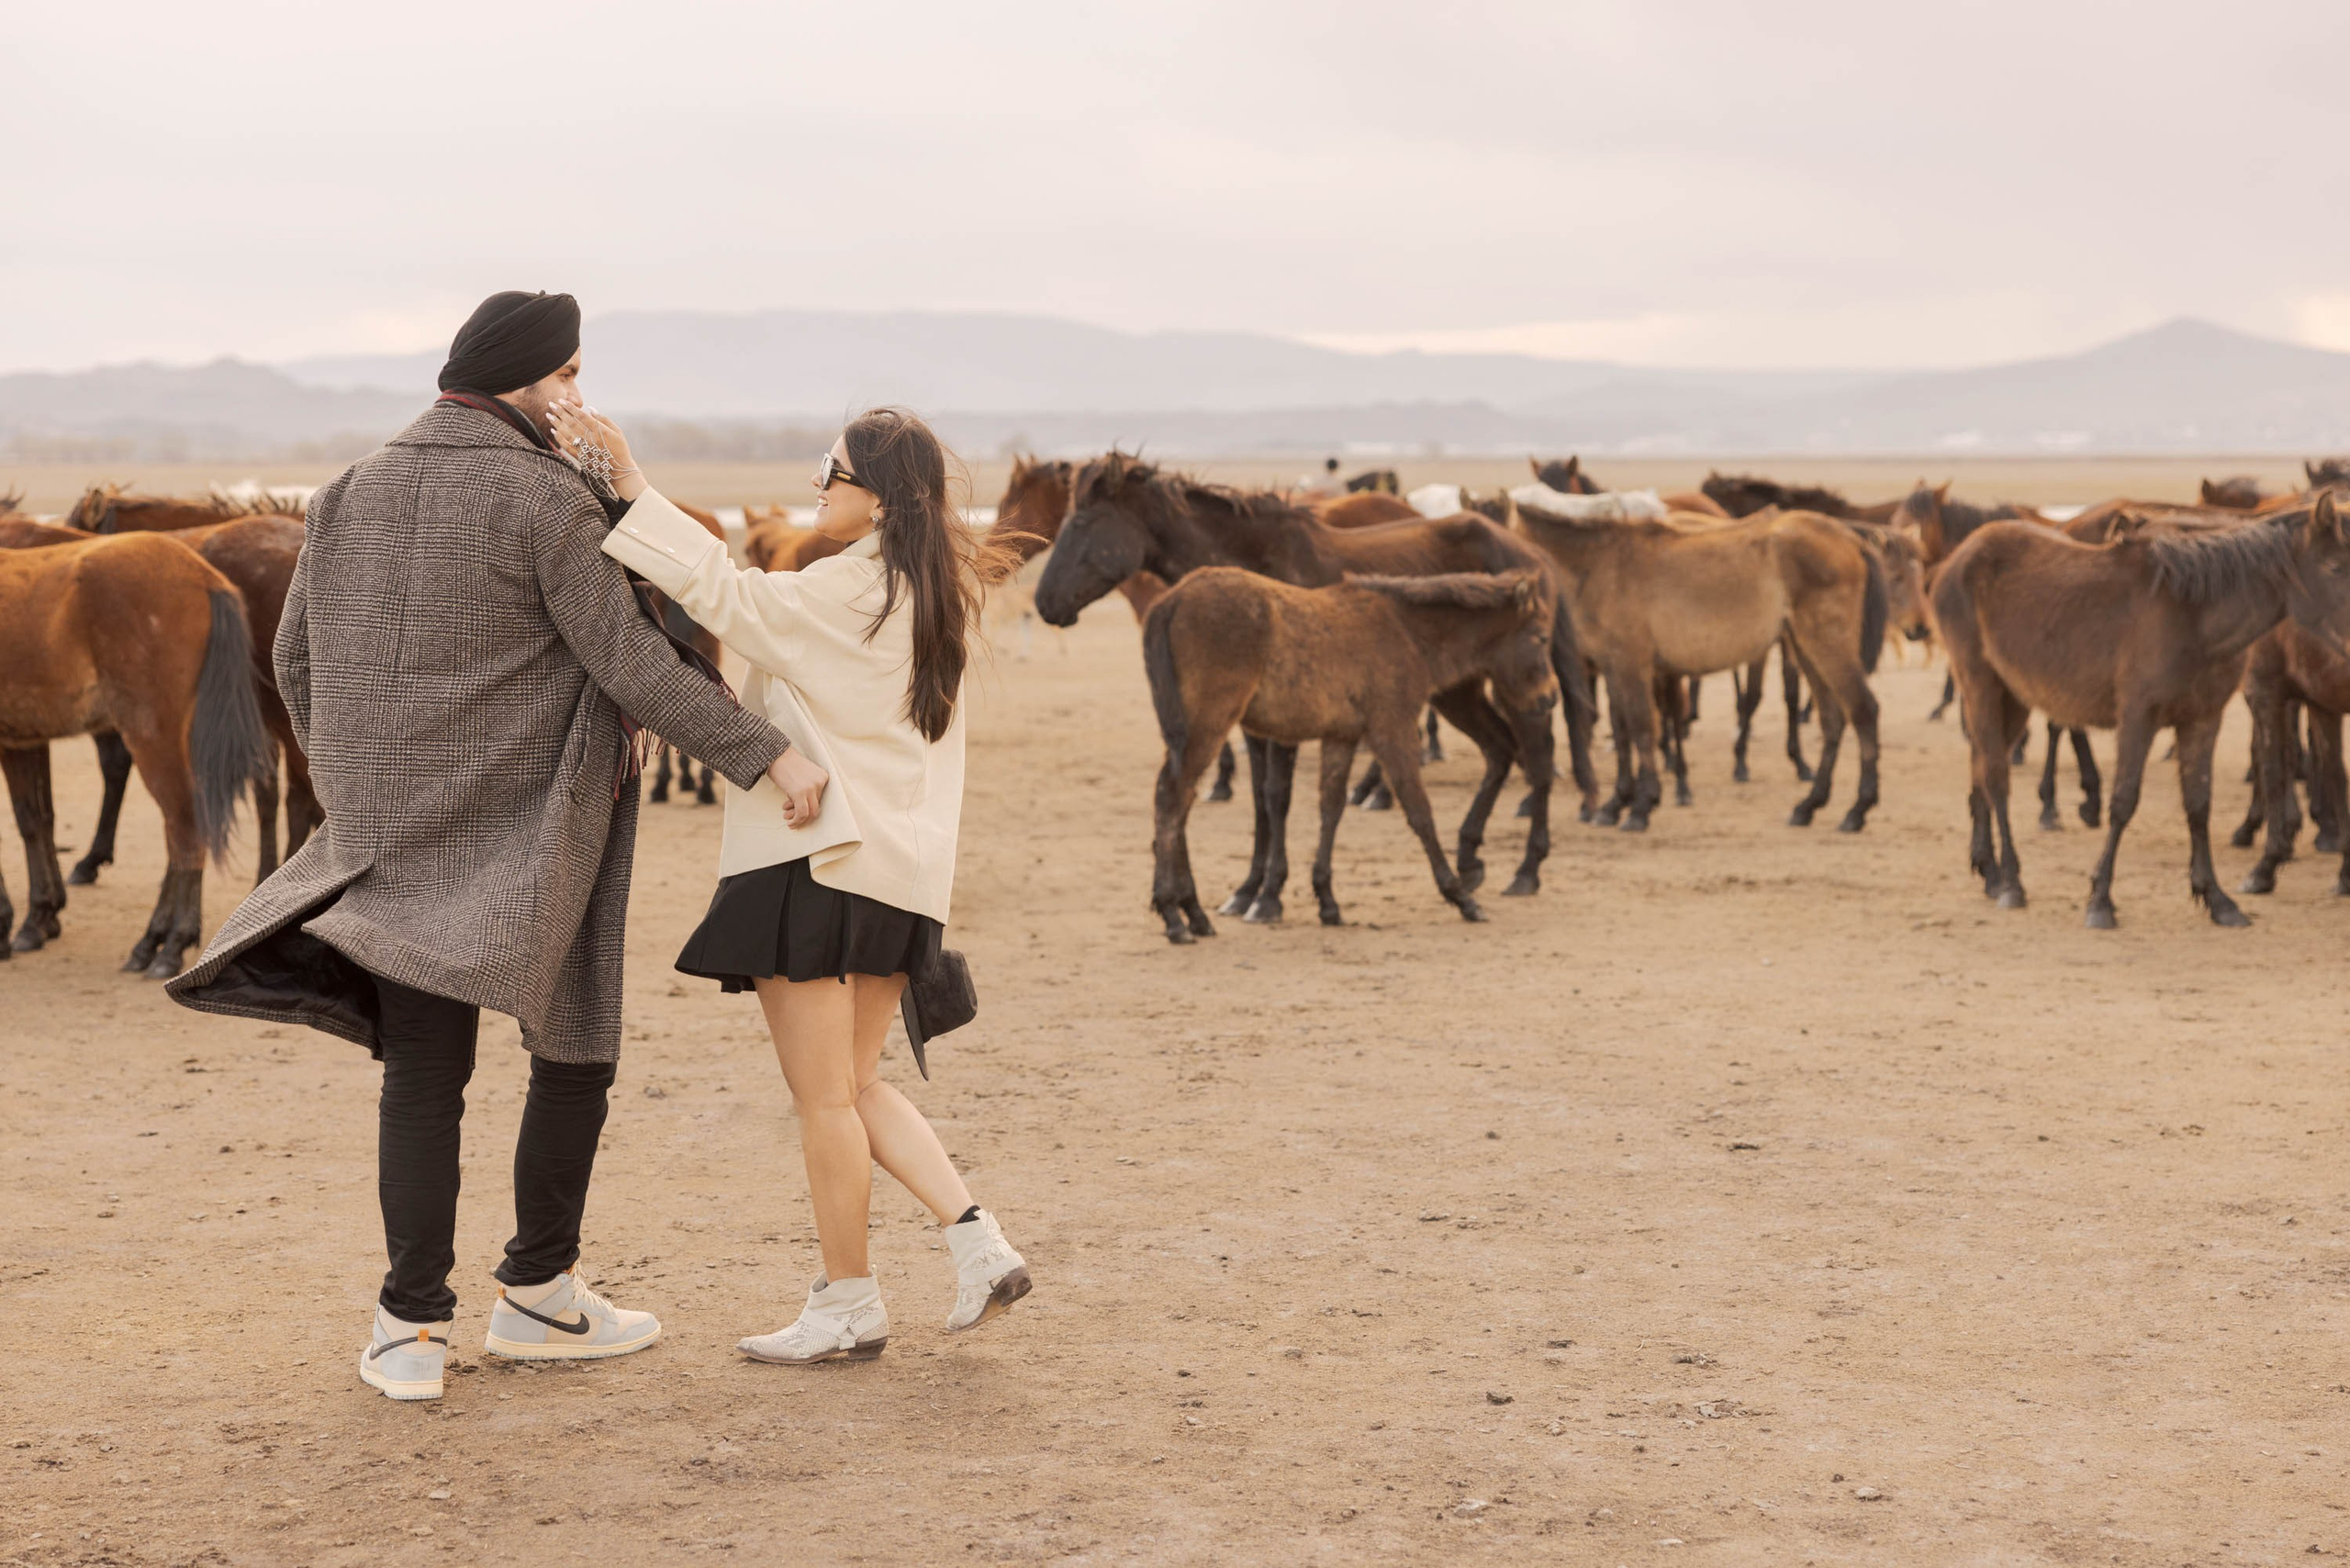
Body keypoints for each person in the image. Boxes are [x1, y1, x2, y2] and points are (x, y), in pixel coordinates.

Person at [166, 290, 825, 1402]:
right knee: (574, 1053)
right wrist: (767, 753)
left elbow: (294, 660)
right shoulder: (546, 498)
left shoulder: (351, 488)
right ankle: (538, 1295)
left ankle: (410, 1329)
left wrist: (358, 786)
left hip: (393, 831)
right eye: (569, 377)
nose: (579, 397)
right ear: (524, 384)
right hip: (538, 826)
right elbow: (633, 661)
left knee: (424, 1077)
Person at [567, 402, 1032, 1365]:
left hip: (820, 866)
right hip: (899, 878)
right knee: (856, 1085)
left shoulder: (846, 592)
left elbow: (722, 594)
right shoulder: (927, 594)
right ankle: (975, 1241)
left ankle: (849, 1301)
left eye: (835, 470)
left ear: (883, 498)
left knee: (823, 1100)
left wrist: (629, 479)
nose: (819, 484)